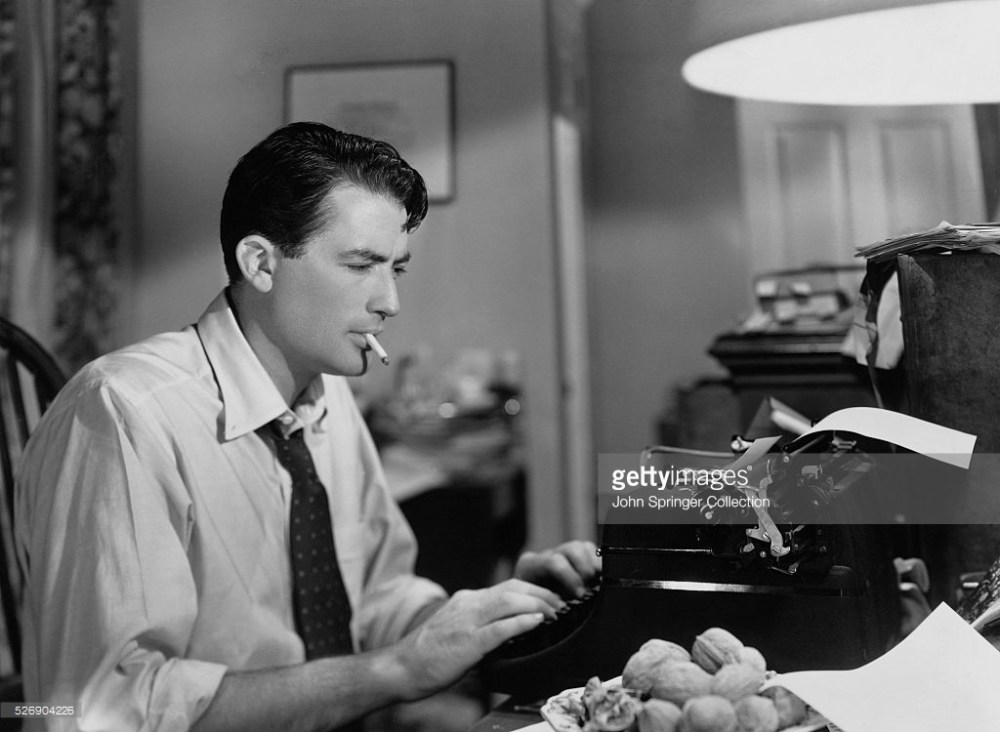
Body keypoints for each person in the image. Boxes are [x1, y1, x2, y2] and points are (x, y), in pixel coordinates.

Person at [14, 122, 600, 731]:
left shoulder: (327, 395)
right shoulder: (122, 412)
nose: (389, 302)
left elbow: (377, 596)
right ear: (261, 263)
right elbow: (95, 710)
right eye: (361, 265)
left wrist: (497, 620)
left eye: (395, 269)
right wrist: (391, 671)